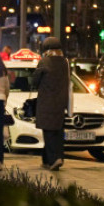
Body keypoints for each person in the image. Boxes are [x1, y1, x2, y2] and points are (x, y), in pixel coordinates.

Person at [31, 37, 70, 171]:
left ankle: (54, 159)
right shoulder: (65, 63)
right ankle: (48, 160)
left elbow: (35, 82)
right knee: (58, 132)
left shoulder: (44, 62)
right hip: (60, 103)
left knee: (48, 132)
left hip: (46, 102)